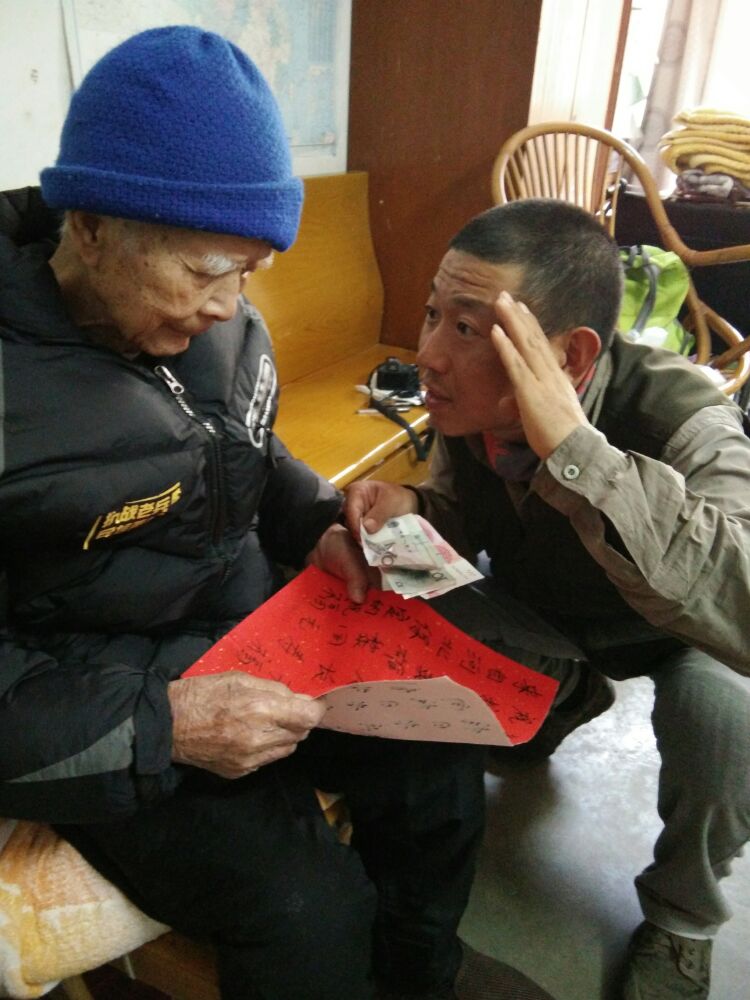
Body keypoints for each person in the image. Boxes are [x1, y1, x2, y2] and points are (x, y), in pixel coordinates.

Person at [0, 27, 557, 1000]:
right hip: (112, 706)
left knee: (439, 751)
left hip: (259, 642)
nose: (231, 305)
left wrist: (316, 525)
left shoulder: (216, 324)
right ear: (88, 226)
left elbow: (247, 455)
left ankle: (420, 977)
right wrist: (163, 725)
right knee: (310, 909)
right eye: (207, 270)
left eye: (252, 271)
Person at [345, 198, 750, 1000]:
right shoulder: (470, 407)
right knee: (400, 589)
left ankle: (683, 920)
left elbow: (740, 600)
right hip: (550, 618)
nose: (428, 355)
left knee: (725, 720)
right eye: (432, 314)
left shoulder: (687, 417)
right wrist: (413, 509)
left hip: (680, 635)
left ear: (571, 355)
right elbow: (460, 511)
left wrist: (575, 451)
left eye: (468, 328)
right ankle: (566, 695)